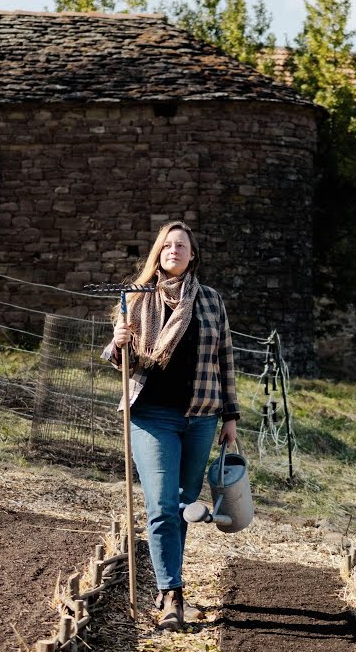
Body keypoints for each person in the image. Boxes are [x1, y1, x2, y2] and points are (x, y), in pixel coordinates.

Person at [102, 220, 239, 631]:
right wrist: (119, 342)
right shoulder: (136, 299)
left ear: (192, 255)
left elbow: (225, 360)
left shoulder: (211, 301)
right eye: (167, 245)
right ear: (158, 254)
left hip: (201, 415)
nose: (174, 251)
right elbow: (115, 356)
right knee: (161, 504)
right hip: (152, 415)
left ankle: (167, 587)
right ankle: (173, 596)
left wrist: (230, 416)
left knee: (180, 504)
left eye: (181, 245)